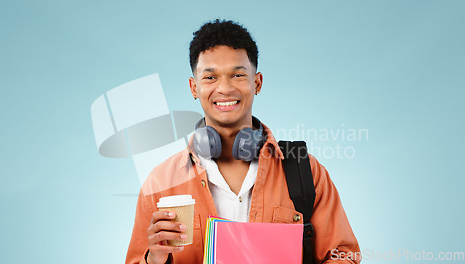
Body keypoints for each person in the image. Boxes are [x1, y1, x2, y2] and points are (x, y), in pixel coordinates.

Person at [126, 19, 361, 264]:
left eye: (238, 75)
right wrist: (153, 259)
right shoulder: (161, 182)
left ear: (257, 82)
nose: (225, 88)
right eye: (210, 78)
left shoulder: (305, 170)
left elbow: (343, 255)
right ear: (193, 87)